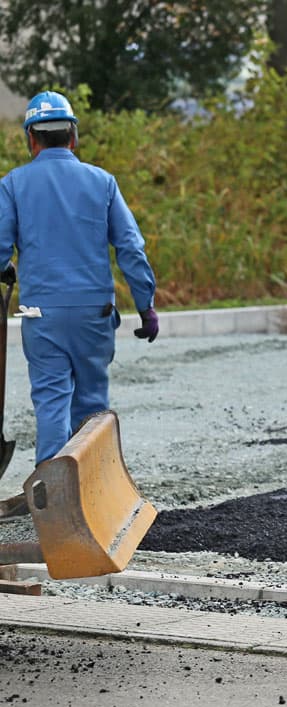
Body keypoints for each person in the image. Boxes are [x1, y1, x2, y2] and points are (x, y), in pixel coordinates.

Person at [0, 91, 158, 469]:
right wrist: (145, 304)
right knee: (91, 407)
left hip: (43, 316)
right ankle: (95, 491)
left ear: (31, 139)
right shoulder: (102, 182)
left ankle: (52, 499)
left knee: (52, 403)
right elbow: (131, 248)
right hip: (94, 315)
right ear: (73, 137)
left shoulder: (13, 184)